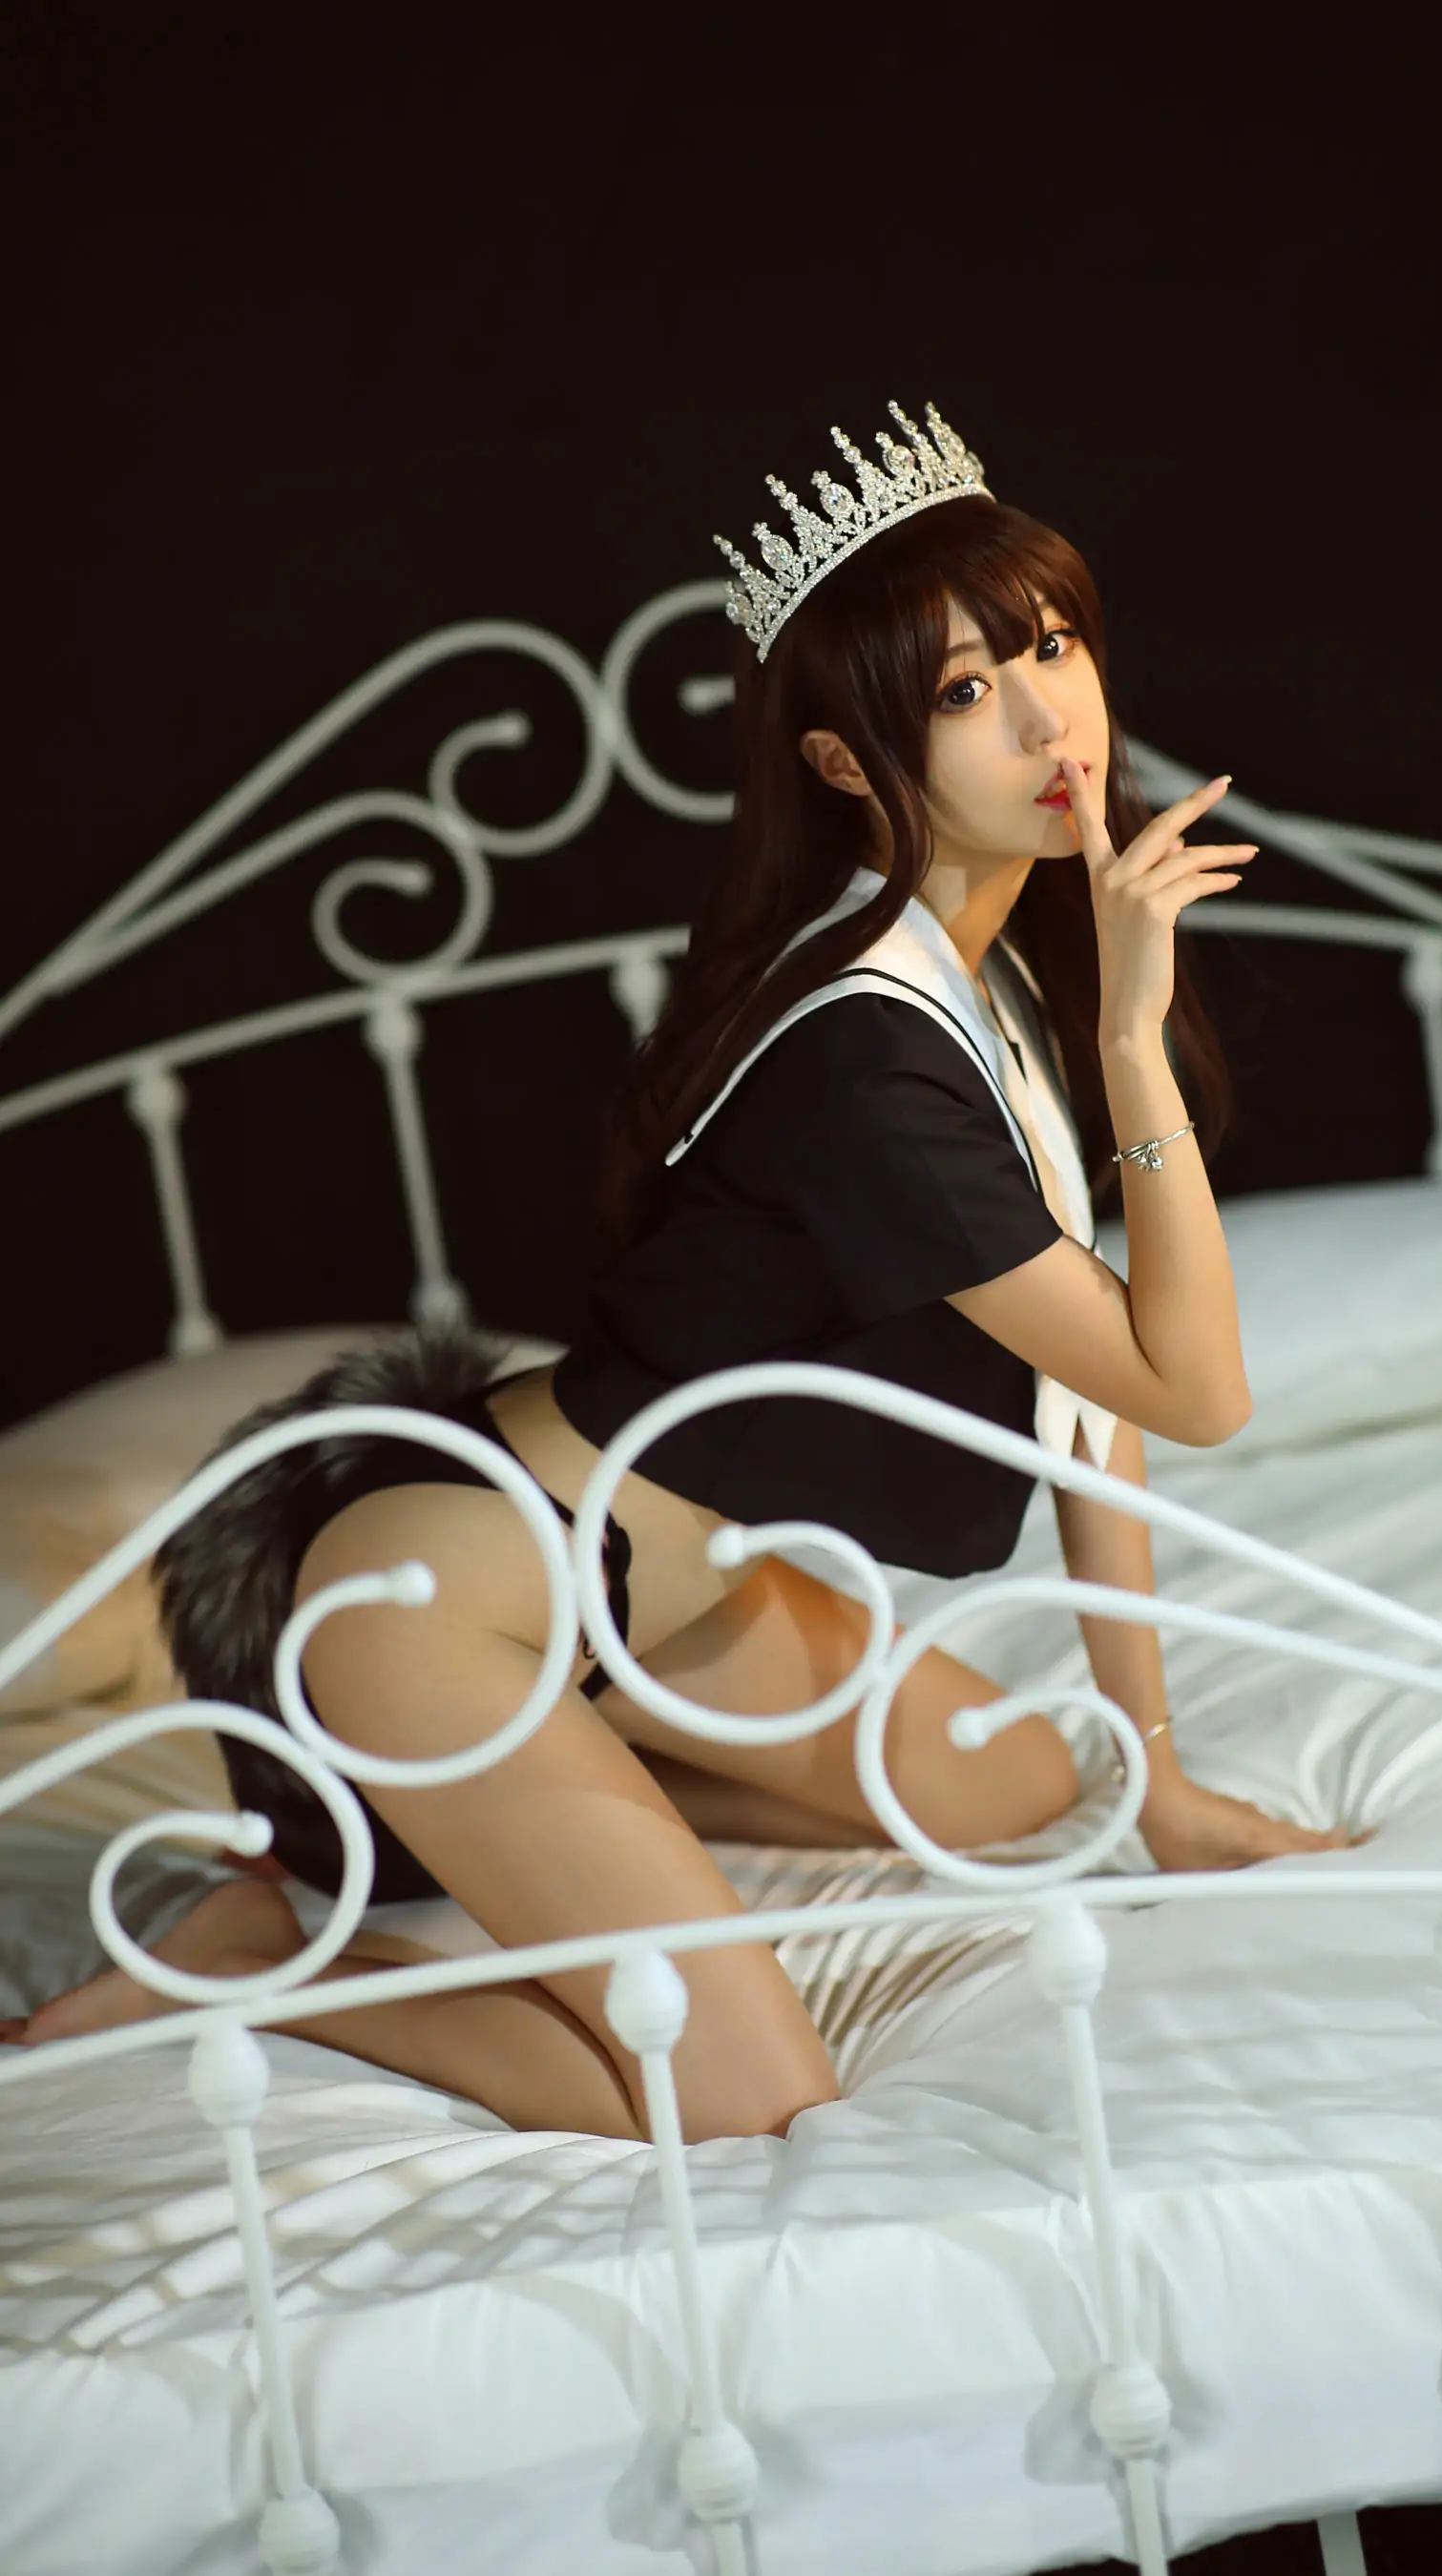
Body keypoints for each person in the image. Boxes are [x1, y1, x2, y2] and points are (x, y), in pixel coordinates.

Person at [3, 402, 1364, 2135]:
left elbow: (1098, 1409)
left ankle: (551, 1786)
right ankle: (266, 1959)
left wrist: (1155, 1779)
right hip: (459, 1605)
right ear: (845, 765)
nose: (1048, 720)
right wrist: (1137, 1038)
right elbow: (1199, 1387)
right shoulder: (868, 1052)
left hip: (680, 1603)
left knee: (1031, 1784)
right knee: (740, 2092)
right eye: (963, 692)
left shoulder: (988, 983)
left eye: (1051, 645)